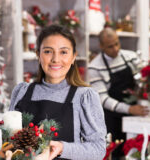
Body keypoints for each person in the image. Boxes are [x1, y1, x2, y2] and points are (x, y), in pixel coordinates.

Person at [9, 25, 106, 160]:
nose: (55, 59)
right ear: (38, 54)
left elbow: (98, 149)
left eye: (63, 52)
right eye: (48, 51)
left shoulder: (84, 96)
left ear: (73, 57)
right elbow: (9, 140)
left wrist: (62, 148)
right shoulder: (21, 91)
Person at [88, 27, 148, 158]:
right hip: (113, 119)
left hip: (135, 114)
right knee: (117, 154)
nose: (115, 49)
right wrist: (129, 109)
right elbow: (103, 99)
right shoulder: (94, 67)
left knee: (139, 152)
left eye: (117, 43)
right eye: (110, 46)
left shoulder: (131, 57)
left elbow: (143, 80)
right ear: (101, 46)